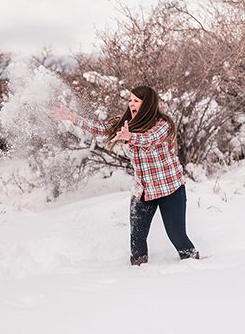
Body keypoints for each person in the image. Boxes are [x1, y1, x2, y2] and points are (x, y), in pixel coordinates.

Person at [52, 85, 199, 266]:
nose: (131, 104)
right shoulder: (127, 123)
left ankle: (194, 264)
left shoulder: (163, 124)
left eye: (136, 101)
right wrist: (73, 118)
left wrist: (130, 137)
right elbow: (100, 127)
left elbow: (149, 139)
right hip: (143, 191)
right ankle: (137, 272)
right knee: (136, 239)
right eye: (130, 100)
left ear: (148, 104)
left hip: (170, 189)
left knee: (176, 235)